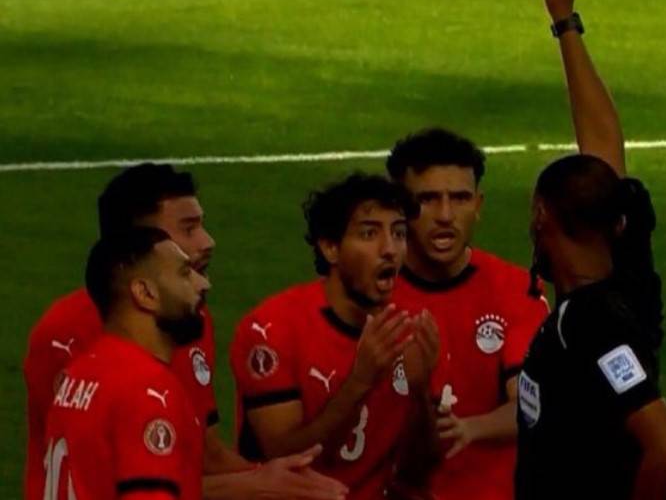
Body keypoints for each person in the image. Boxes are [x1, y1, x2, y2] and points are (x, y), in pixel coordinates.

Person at [24, 163, 346, 500]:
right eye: (188, 229)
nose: (207, 242)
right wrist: (259, 484)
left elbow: (201, 454)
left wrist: (268, 479)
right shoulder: (129, 376)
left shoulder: (120, 352)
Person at [514, 0, 666, 499]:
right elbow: (603, 148)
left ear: (542, 217)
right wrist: (564, 18)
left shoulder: (590, 327)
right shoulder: (626, 270)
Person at [230, 173, 441, 499]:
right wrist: (360, 381)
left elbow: (420, 470)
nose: (389, 249)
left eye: (398, 233)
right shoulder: (272, 329)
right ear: (330, 248)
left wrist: (421, 392)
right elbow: (284, 458)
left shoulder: (410, 326)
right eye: (369, 233)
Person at [386, 129, 549, 500]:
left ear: (478, 204)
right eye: (428, 199)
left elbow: (532, 405)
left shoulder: (516, 289)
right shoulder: (373, 294)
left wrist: (469, 428)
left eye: (459, 198)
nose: (445, 215)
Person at [44, 226, 209, 499]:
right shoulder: (147, 389)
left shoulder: (77, 376)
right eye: (184, 273)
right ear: (145, 293)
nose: (202, 284)